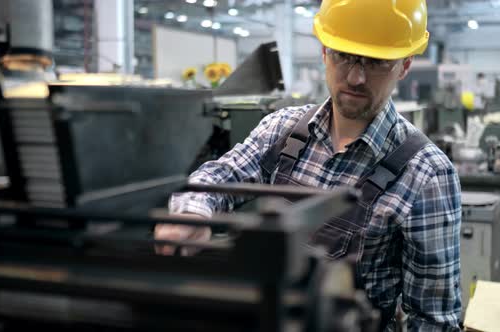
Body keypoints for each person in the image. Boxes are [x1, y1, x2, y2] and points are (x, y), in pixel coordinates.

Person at [155, 0, 462, 330]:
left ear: (404, 66)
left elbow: (433, 321)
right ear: (324, 52)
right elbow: (219, 175)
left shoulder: (427, 174)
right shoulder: (281, 129)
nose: (356, 77)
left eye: (377, 62)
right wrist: (192, 213)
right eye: (344, 55)